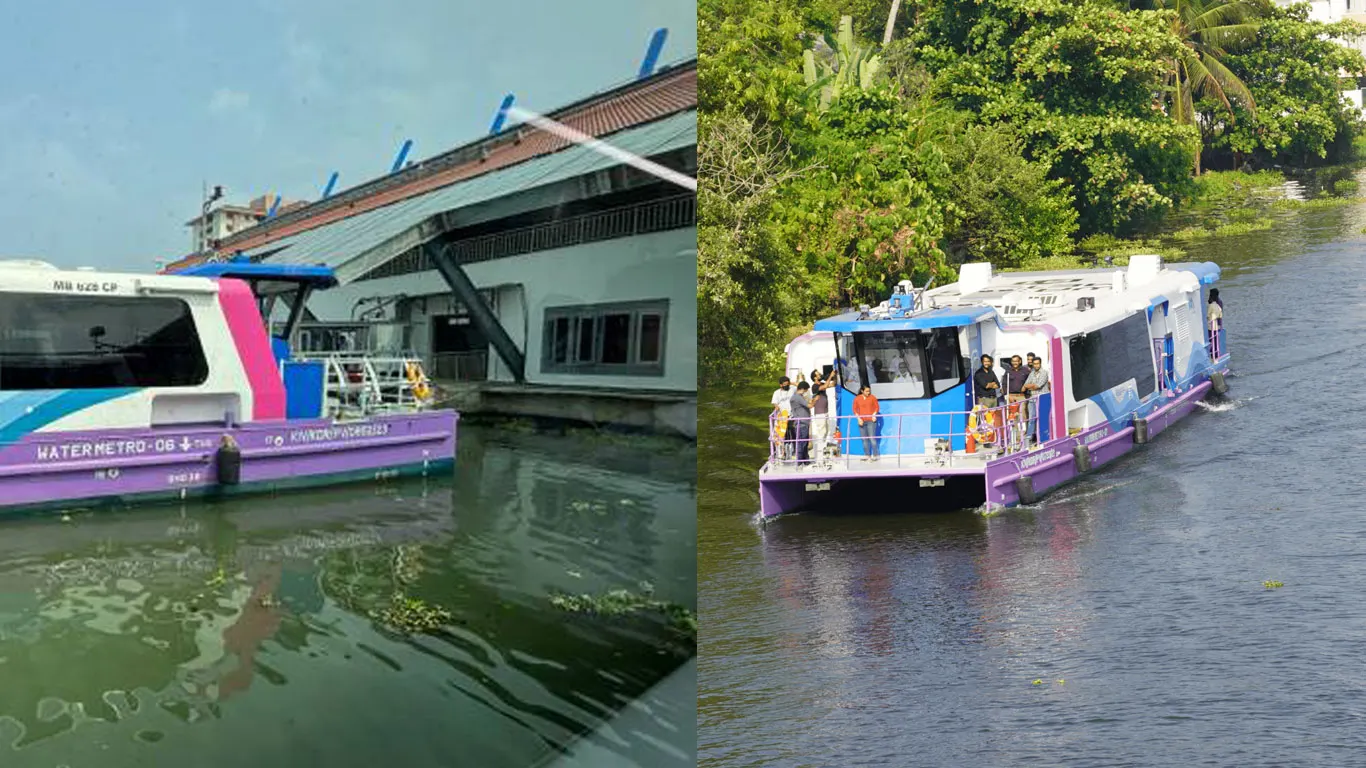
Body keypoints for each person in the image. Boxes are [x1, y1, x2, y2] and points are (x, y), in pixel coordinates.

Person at [810, 368, 837, 466]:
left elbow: (832, 384)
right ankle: (819, 458)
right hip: (820, 414)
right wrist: (830, 375)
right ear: (814, 377)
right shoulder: (815, 386)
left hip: (825, 413)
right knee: (821, 434)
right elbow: (826, 386)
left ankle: (823, 455)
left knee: (825, 433)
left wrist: (835, 376)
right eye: (818, 374)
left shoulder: (821, 384)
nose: (820, 375)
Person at [1022, 356, 1050, 444]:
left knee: (1043, 418)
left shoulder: (1044, 373)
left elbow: (1038, 386)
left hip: (1042, 399)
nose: (1036, 365)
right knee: (1031, 419)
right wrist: (1030, 386)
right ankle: (1030, 437)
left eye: (1037, 363)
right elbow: (1025, 384)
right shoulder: (1032, 373)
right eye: (1034, 364)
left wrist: (1029, 386)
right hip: (1032, 399)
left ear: (1040, 363)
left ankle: (1043, 438)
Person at [853, 384, 880, 461]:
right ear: (862, 391)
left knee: (872, 439)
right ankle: (867, 455)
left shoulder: (872, 397)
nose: (868, 392)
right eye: (867, 391)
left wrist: (874, 415)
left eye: (869, 391)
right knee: (864, 440)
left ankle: (875, 455)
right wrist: (858, 419)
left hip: (871, 421)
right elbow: (854, 409)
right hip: (862, 421)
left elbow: (877, 407)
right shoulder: (857, 398)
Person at [789, 381, 813, 466]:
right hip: (801, 423)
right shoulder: (797, 397)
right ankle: (800, 461)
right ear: (802, 389)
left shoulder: (799, 397)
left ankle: (805, 459)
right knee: (802, 442)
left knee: (804, 442)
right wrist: (815, 400)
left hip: (804, 422)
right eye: (806, 390)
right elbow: (809, 405)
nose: (806, 392)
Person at [771, 376, 793, 460]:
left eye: (788, 384)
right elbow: (775, 403)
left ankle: (792, 450)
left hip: (791, 416)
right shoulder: (776, 393)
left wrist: (792, 383)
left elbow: (800, 386)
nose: (787, 386)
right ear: (781, 385)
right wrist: (777, 408)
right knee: (781, 434)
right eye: (785, 385)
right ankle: (782, 452)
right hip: (782, 417)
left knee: (791, 433)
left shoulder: (792, 389)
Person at [1207, 288, 1225, 356]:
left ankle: (1214, 353)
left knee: (1213, 339)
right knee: (1214, 339)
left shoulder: (1217, 302)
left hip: (1214, 324)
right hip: (1216, 323)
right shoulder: (1217, 302)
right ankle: (1214, 352)